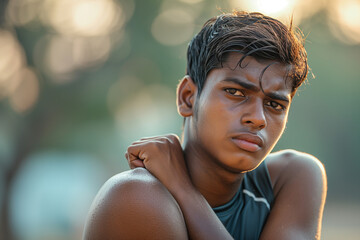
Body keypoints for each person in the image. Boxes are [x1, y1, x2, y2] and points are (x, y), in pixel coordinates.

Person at [83, 11, 327, 240]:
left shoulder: (291, 178)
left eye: (274, 105)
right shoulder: (136, 196)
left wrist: (184, 190)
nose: (258, 118)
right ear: (188, 97)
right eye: (235, 92)